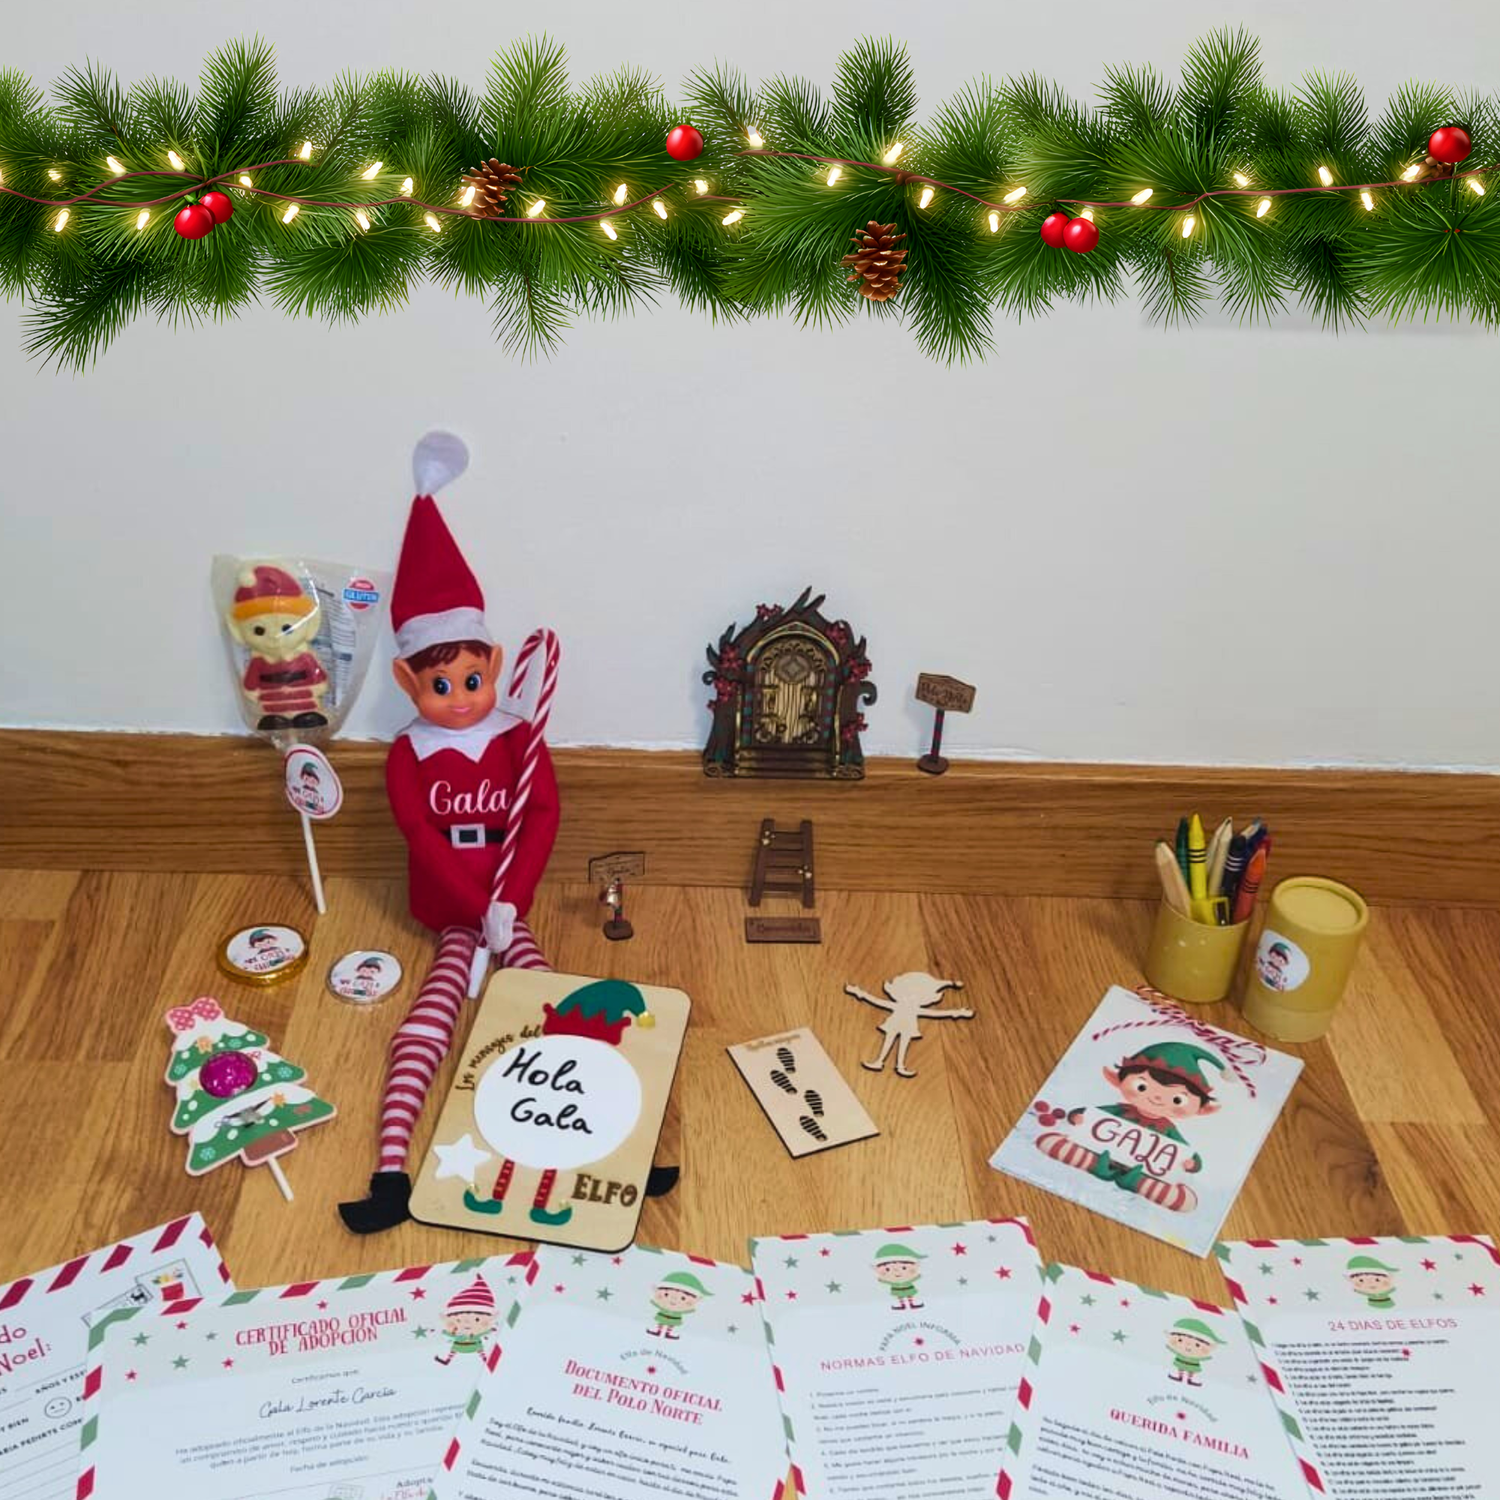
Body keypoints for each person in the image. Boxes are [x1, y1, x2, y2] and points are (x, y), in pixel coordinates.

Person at [339, 485, 558, 1236]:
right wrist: (474, 909)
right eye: (440, 685)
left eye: (472, 680)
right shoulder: (409, 752)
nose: (461, 699)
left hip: (507, 898)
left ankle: (615, 1143)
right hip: (451, 903)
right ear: (407, 682)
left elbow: (542, 815)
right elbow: (418, 833)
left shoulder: (518, 736)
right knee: (428, 1018)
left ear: (494, 665)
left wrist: (511, 899)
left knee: (547, 998)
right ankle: (390, 1173)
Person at [844, 973, 973, 1078]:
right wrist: (857, 992)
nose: (911, 997)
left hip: (907, 1027)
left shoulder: (915, 1008)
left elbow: (935, 1013)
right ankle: (879, 1061)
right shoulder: (898, 1005)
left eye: (916, 995)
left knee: (903, 1044)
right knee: (888, 1041)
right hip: (895, 1024)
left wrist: (958, 1013)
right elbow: (876, 1001)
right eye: (907, 992)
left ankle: (899, 1066)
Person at [435, 1277, 498, 1364]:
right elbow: (451, 1335)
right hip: (459, 1346)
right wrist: (445, 1332)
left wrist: (490, 1330)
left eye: (476, 1319)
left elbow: (482, 1333)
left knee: (480, 1350)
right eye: (458, 1320)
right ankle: (447, 1360)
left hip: (474, 1346)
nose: (466, 1323)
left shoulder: (472, 1335)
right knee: (453, 1350)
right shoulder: (459, 1334)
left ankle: (485, 1359)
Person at [648, 1271, 711, 1340]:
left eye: (683, 1298)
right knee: (661, 1322)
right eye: (666, 1294)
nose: (673, 1300)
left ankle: (667, 1333)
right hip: (663, 1315)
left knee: (671, 1324)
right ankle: (659, 1331)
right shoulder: (663, 1305)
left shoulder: (680, 1310)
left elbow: (687, 1310)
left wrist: (691, 1309)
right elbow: (658, 1304)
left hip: (674, 1317)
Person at [1166, 1317, 1224, 1386]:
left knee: (1191, 1370)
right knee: (1180, 1367)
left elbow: (1203, 1357)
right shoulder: (1180, 1351)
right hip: (1181, 1360)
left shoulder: (1196, 1356)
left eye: (1197, 1345)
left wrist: (1207, 1357)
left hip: (1193, 1363)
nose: (1188, 1346)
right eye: (1180, 1340)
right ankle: (1180, 1377)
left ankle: (1189, 1379)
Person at [873, 1244, 926, 1310]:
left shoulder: (907, 1279)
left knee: (909, 1295)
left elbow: (913, 1279)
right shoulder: (894, 1281)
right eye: (887, 1269)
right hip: (898, 1289)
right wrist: (882, 1280)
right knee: (900, 1296)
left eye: (904, 1268)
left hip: (908, 1288)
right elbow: (888, 1282)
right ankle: (903, 1305)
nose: (897, 1272)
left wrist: (917, 1277)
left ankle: (911, 1304)